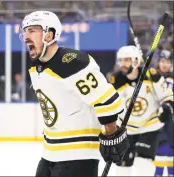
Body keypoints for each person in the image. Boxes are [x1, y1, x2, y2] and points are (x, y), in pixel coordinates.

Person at [19, 11, 129, 177]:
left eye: (32, 30)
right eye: (25, 31)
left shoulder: (73, 63)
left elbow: (106, 99)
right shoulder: (36, 67)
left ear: (49, 35)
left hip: (78, 155)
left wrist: (111, 132)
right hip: (49, 152)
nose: (26, 36)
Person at [108, 46, 174, 176]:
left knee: (143, 167)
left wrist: (167, 107)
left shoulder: (151, 75)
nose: (122, 64)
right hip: (125, 129)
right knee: (122, 169)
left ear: (136, 61)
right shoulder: (115, 80)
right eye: (121, 60)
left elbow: (167, 96)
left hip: (149, 126)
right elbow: (107, 105)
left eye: (126, 60)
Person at [152, 50, 173, 177]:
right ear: (159, 62)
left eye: (168, 62)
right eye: (163, 61)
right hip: (157, 120)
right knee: (158, 153)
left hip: (171, 121)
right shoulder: (152, 79)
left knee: (171, 153)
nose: (165, 64)